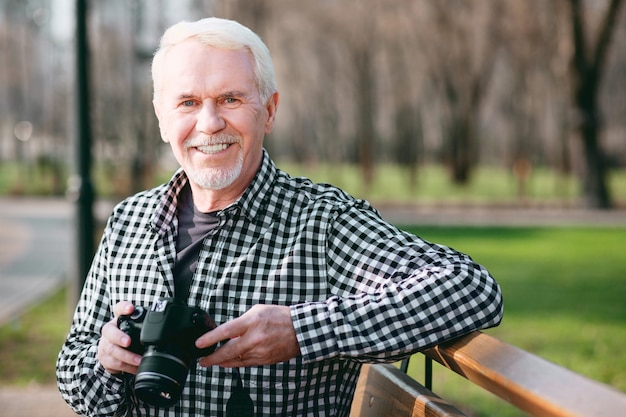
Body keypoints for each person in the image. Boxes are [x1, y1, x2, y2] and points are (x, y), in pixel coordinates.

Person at [57, 17, 503, 417]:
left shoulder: (322, 222)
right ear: (161, 118)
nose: (209, 123)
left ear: (268, 110)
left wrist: (301, 331)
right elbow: (74, 375)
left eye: (230, 99)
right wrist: (106, 361)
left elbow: (471, 289)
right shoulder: (129, 220)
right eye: (188, 103)